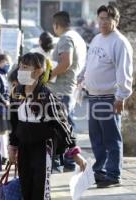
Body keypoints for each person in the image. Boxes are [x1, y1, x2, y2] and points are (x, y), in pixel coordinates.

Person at [8, 52, 86, 200]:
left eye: (25, 67)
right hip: (24, 147)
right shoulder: (16, 94)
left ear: (38, 71)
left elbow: (62, 124)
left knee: (40, 188)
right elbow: (14, 123)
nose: (20, 71)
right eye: (20, 67)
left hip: (43, 148)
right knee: (25, 186)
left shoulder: (47, 96)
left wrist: (74, 153)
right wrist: (12, 146)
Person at [84, 5, 133, 188]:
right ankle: (100, 171)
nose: (103, 22)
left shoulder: (119, 42)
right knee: (96, 138)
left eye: (107, 19)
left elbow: (124, 72)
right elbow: (90, 63)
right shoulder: (97, 38)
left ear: (116, 21)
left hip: (109, 98)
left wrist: (121, 97)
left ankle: (113, 174)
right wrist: (83, 79)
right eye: (100, 18)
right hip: (93, 96)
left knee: (111, 138)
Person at [50, 11, 87, 172]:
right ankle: (68, 160)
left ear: (56, 25)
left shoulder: (65, 38)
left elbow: (65, 63)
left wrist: (48, 75)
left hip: (62, 89)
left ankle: (70, 160)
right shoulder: (77, 37)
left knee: (63, 126)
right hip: (69, 87)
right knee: (65, 125)